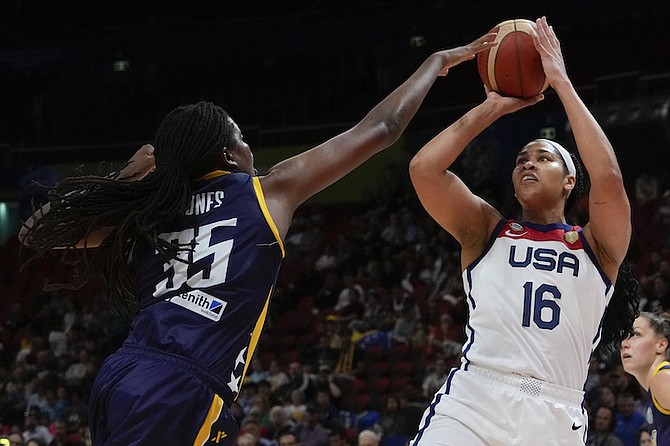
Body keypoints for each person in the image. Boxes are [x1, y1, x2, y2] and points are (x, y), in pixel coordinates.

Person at [17, 33, 497, 446]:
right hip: (183, 384)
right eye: (243, 139)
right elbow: (382, 127)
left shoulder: (149, 207)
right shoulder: (270, 190)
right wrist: (434, 63)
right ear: (229, 153)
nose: (251, 148)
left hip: (121, 375)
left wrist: (130, 176)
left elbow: (35, 231)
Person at [408, 17, 638, 446]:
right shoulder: (486, 230)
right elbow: (425, 170)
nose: (528, 163)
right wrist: (492, 107)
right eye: (520, 159)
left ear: (570, 180)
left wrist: (562, 84)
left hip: (556, 412)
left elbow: (607, 177)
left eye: (544, 158)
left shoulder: (598, 247)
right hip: (475, 399)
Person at [620, 311, 670, 446]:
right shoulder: (656, 386)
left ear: (660, 345)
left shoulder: (662, 379)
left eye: (636, 334)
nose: (624, 343)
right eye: (624, 335)